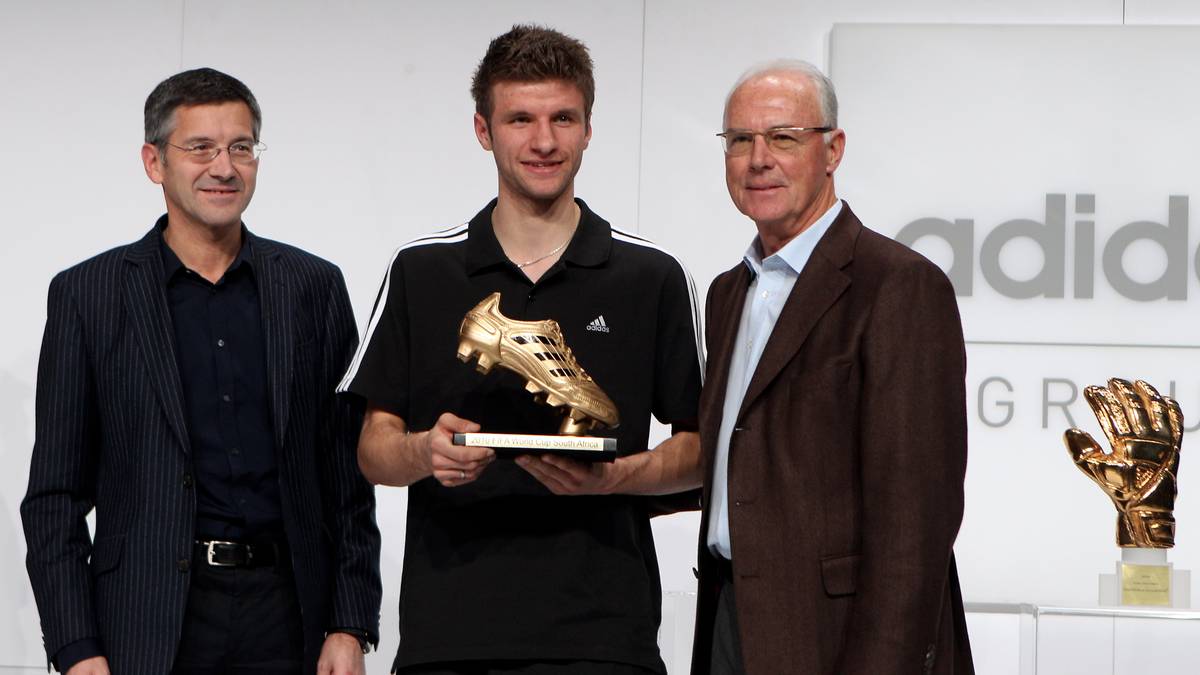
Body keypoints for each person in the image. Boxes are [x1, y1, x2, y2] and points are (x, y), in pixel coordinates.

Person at [338, 24, 703, 675]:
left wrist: (614, 478)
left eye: (563, 118)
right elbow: (372, 448)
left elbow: (702, 451)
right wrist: (425, 452)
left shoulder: (652, 276)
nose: (544, 141)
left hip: (604, 639)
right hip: (448, 637)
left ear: (588, 129)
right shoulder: (421, 270)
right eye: (520, 119)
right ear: (483, 130)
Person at [21, 67, 382, 675]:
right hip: (146, 622)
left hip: (287, 616)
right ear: (154, 162)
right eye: (200, 148)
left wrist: (349, 624)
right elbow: (54, 497)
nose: (224, 167)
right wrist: (77, 649)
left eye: (241, 147)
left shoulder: (313, 287)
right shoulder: (89, 295)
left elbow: (346, 475)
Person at [691, 60, 974, 675]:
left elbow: (915, 522)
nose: (758, 160)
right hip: (729, 622)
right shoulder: (727, 293)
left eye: (783, 138)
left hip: (837, 638)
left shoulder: (898, 285)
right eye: (740, 140)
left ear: (833, 150)